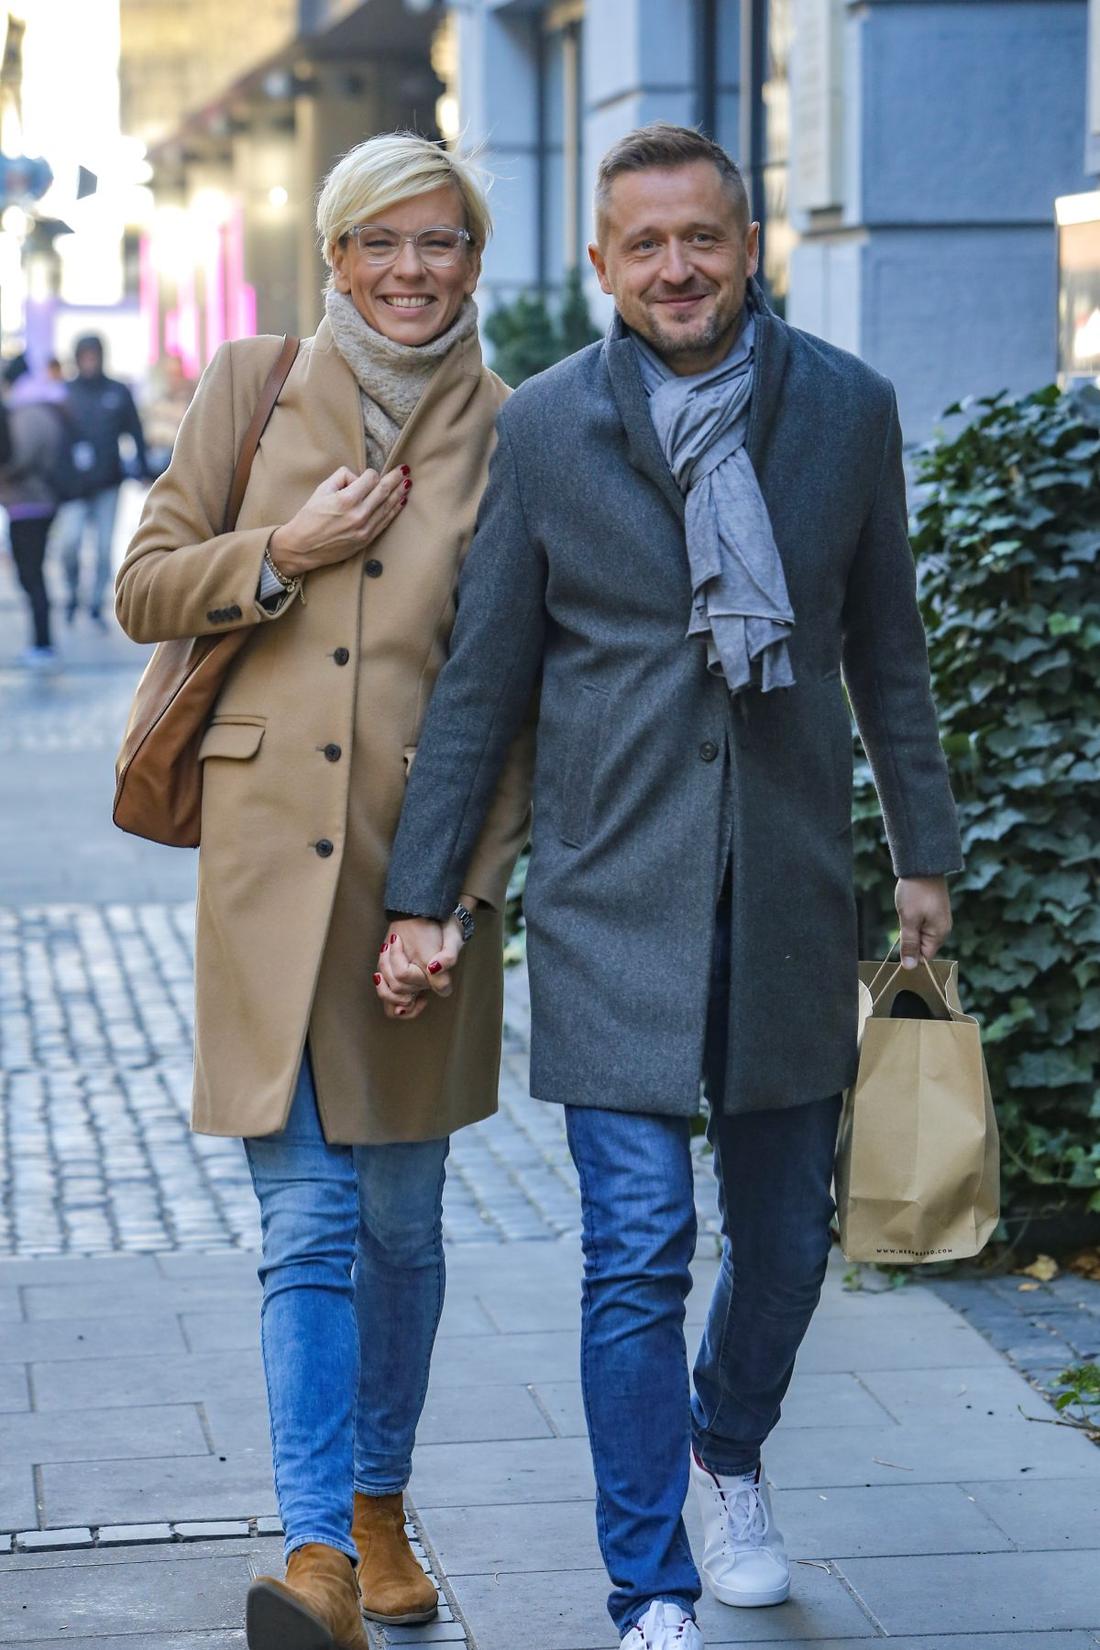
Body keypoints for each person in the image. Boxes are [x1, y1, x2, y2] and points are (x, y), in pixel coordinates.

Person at [378, 123, 962, 1650]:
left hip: (785, 893)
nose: (677, 267)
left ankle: (729, 1445)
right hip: (609, 894)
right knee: (635, 1246)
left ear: (750, 245)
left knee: (784, 1245)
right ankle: (648, 1583)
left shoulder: (847, 408)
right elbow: (483, 677)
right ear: (602, 264)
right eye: (644, 244)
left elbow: (887, 648)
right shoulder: (549, 428)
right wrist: (424, 893)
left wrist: (925, 850)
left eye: (702, 236)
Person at [115, 133, 532, 1650]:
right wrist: (283, 549)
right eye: (383, 242)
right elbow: (144, 585)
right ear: (337, 255)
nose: (412, 269)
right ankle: (315, 1559)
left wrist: (458, 898)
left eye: (441, 242)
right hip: (264, 873)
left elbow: (521, 691)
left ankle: (377, 1505)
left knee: (403, 1227)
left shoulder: (513, 427)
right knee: (305, 1222)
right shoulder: (253, 384)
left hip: (416, 883)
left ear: (473, 260)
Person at [53, 334, 149, 629]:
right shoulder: (65, 393)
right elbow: (54, 439)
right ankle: (72, 593)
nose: (90, 360)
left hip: (108, 483)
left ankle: (96, 602)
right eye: (85, 355)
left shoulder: (117, 391)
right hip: (73, 488)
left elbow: (135, 431)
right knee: (69, 544)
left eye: (94, 354)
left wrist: (143, 467)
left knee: (105, 548)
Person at [0, 353, 67, 670]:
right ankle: (41, 642)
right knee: (31, 573)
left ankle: (43, 643)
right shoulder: (43, 407)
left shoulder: (27, 413)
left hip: (28, 503)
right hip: (35, 501)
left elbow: (20, 458)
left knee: (31, 575)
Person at [143, 351, 196, 477]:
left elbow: (184, 438)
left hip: (181, 466)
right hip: (156, 465)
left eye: (176, 374)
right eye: (169, 375)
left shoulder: (193, 402)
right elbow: (149, 434)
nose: (173, 380)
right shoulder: (158, 402)